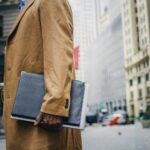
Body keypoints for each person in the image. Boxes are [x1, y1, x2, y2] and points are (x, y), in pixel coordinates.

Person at [3, 0, 82, 149]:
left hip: (43, 121)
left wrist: (54, 105)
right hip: (26, 120)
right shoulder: (27, 4)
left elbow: (59, 51)